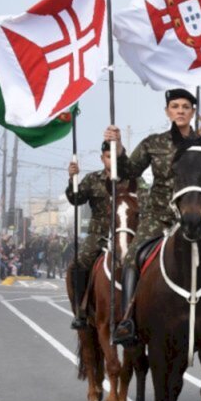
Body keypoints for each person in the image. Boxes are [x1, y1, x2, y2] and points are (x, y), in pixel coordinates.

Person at [110, 89, 201, 346]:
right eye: (175, 106)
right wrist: (117, 148)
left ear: (192, 112)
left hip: (199, 217)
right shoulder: (154, 143)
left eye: (186, 106)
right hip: (159, 216)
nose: (181, 111)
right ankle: (128, 320)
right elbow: (128, 171)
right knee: (131, 258)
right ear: (167, 111)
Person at [66, 141, 131, 329]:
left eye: (116, 157)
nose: (112, 161)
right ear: (102, 158)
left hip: (125, 233)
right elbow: (76, 199)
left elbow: (144, 199)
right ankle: (80, 310)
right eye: (108, 156)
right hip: (99, 234)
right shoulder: (93, 179)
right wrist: (73, 179)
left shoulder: (131, 180)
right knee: (78, 264)